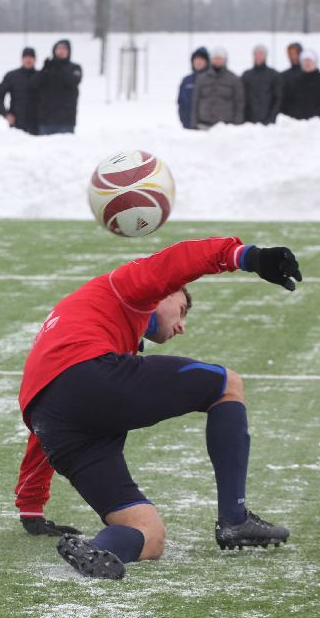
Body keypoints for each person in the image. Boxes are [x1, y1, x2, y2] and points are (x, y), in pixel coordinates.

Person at [18, 238, 300, 580]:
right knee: (228, 384)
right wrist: (248, 257)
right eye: (181, 310)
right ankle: (235, 520)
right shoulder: (125, 287)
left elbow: (47, 413)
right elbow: (177, 262)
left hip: (53, 420)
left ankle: (98, 549)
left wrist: (31, 504)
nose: (181, 326)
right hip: (91, 377)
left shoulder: (83, 326)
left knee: (149, 534)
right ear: (163, 293)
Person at [31, 39, 82, 135]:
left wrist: (60, 67)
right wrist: (44, 70)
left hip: (66, 121)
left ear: (69, 51)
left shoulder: (75, 68)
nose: (61, 51)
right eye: (58, 48)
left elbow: (72, 81)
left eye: (64, 48)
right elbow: (34, 84)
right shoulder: (48, 68)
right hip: (46, 121)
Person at [190, 46, 244, 129]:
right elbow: (195, 102)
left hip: (226, 127)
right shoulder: (201, 78)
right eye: (215, 58)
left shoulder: (234, 79)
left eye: (220, 58)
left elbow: (239, 103)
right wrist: (194, 123)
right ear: (211, 60)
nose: (217, 61)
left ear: (225, 60)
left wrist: (237, 124)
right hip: (203, 125)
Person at [281, 50, 320, 120]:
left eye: (309, 61)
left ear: (315, 62)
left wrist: (318, 112)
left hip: (316, 122)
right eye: (305, 61)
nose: (307, 63)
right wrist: (292, 113)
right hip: (297, 123)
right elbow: (285, 101)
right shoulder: (295, 81)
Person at [0, 46, 39, 134]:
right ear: (22, 59)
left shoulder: (41, 76)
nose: (28, 60)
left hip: (37, 123)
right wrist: (5, 114)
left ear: (35, 59)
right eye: (26, 57)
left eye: (31, 57)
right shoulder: (12, 76)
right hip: (17, 121)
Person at [241, 45, 282, 125]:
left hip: (269, 122)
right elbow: (242, 98)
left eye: (261, 54)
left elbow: (278, 98)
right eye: (256, 54)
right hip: (249, 122)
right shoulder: (246, 75)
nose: (258, 57)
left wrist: (272, 118)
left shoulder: (273, 75)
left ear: (265, 56)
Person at [177, 46, 208, 129]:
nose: (199, 62)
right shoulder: (186, 80)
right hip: (188, 126)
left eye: (202, 60)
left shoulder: (211, 80)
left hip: (206, 127)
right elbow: (181, 102)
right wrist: (184, 119)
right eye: (196, 59)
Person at [278, 42, 304, 117]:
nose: (293, 57)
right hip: (289, 118)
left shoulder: (310, 75)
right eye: (290, 54)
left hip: (308, 120)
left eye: (295, 54)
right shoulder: (283, 76)